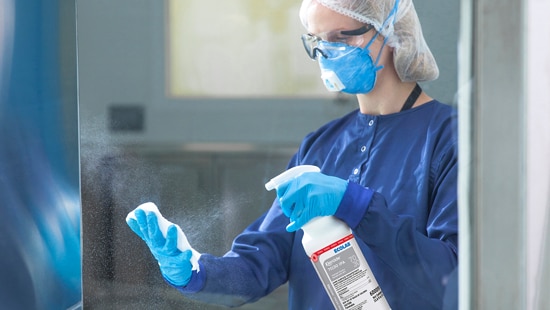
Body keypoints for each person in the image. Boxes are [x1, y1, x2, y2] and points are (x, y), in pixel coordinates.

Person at [127, 0, 458, 309]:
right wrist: (196, 270)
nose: (328, 52)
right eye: (317, 40)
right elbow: (264, 260)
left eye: (343, 37)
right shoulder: (320, 145)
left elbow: (453, 278)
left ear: (391, 33)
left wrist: (357, 206)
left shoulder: (448, 137)